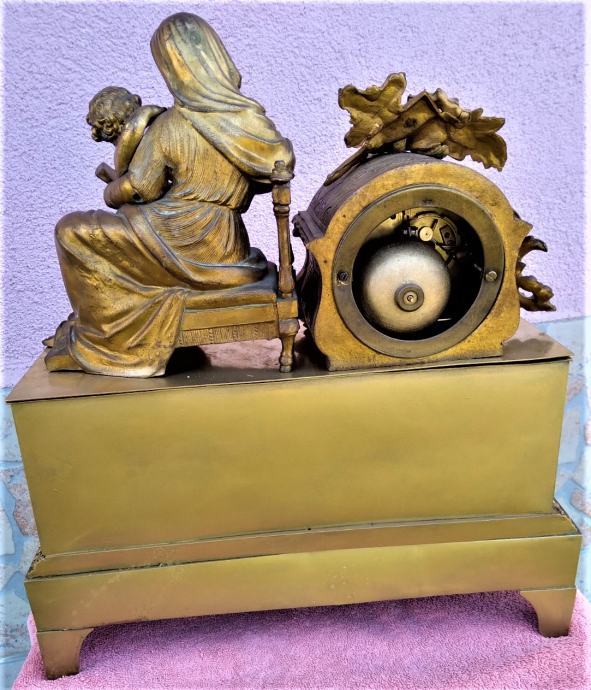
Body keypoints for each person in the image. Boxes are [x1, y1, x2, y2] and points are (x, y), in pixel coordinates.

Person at [45, 12, 294, 377]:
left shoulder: (172, 124)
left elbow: (141, 187)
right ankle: (108, 328)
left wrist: (112, 190)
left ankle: (105, 338)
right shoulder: (248, 119)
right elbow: (279, 161)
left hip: (183, 240)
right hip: (229, 245)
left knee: (71, 230)